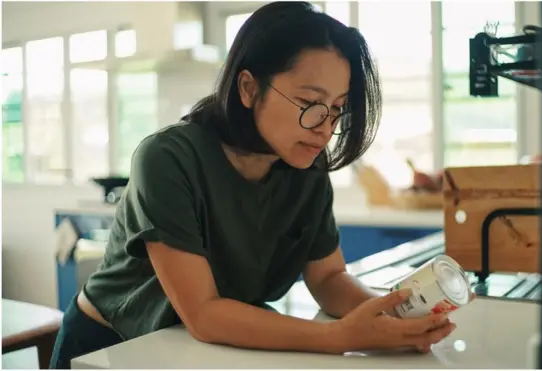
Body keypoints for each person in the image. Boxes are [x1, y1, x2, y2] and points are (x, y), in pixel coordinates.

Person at [49, 2, 456, 368]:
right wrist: (338, 337)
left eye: (336, 110)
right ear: (248, 88)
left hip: (206, 347)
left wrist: (393, 315)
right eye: (309, 103)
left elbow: (329, 279)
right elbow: (204, 314)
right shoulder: (167, 158)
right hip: (110, 346)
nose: (325, 128)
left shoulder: (306, 169)